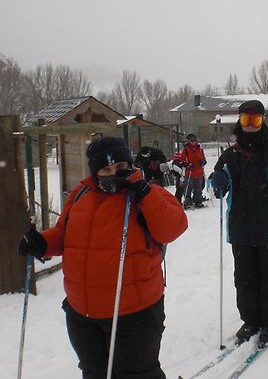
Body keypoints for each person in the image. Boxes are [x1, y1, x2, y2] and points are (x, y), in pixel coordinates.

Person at [18, 136, 188, 379]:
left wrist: (145, 194)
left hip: (133, 312)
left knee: (137, 374)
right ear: (96, 171)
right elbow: (64, 236)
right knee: (95, 373)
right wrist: (42, 243)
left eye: (120, 167)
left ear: (130, 165)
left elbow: (173, 228)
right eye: (106, 170)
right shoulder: (80, 194)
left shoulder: (148, 193)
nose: (113, 175)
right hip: (82, 313)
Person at [210, 100, 268, 346]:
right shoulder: (230, 154)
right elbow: (218, 187)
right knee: (244, 278)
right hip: (240, 227)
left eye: (255, 120)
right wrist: (218, 182)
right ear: (240, 121)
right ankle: (250, 319)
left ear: (263, 121)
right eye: (245, 120)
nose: (250, 126)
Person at [179, 134, 207, 208]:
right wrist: (187, 164)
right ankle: (187, 201)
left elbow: (203, 158)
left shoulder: (200, 148)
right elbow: (182, 160)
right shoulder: (186, 149)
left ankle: (198, 201)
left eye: (195, 140)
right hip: (190, 172)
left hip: (199, 171)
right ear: (189, 141)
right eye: (192, 140)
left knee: (198, 188)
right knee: (188, 187)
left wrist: (203, 162)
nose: (193, 142)